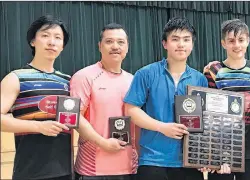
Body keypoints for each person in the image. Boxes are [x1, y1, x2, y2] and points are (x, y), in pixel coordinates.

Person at [0, 15, 123, 180]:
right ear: (32, 41)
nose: (51, 42)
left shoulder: (67, 81)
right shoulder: (16, 78)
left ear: (63, 45)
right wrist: (38, 127)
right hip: (29, 172)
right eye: (45, 35)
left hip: (65, 171)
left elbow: (77, 119)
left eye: (58, 38)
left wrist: (103, 141)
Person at [123, 17, 207, 180]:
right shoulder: (146, 74)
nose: (181, 44)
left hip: (189, 163)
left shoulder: (200, 80)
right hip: (153, 161)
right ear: (165, 43)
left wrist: (204, 156)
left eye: (186, 39)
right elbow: (131, 110)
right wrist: (162, 127)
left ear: (192, 44)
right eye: (175, 39)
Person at [70, 23, 138, 180]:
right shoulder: (84, 76)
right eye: (109, 41)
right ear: (100, 46)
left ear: (127, 47)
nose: (115, 46)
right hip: (92, 169)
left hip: (129, 167)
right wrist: (102, 142)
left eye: (121, 42)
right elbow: (75, 116)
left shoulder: (133, 80)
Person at [203, 19, 250, 180]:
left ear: (248, 41)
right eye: (231, 41)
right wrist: (213, 152)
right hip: (220, 147)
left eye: (241, 40)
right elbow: (208, 115)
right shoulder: (213, 71)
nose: (237, 45)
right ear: (223, 43)